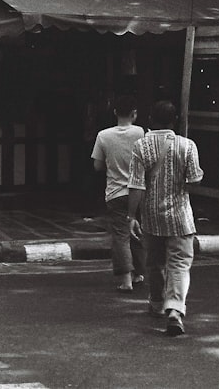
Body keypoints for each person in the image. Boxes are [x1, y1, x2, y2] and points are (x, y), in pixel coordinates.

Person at [128, 100, 204, 337]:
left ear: (150, 119)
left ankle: (156, 303)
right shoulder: (188, 145)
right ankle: (174, 310)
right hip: (181, 218)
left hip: (151, 216)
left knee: (154, 263)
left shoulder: (141, 146)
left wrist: (131, 215)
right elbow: (194, 181)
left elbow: (136, 186)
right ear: (175, 121)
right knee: (179, 265)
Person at [91, 94, 146, 292]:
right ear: (135, 114)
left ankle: (126, 280)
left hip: (116, 192)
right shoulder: (141, 133)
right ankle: (139, 272)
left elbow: (97, 166)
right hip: (139, 191)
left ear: (114, 112)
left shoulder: (103, 136)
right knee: (137, 231)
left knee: (121, 235)